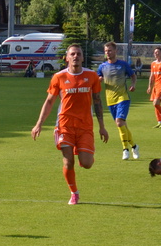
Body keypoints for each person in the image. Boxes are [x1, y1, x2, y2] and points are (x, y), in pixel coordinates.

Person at [31, 44, 109, 205]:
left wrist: (102, 126)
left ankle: (81, 153)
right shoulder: (58, 77)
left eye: (78, 54)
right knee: (68, 161)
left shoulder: (91, 76)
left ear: (82, 57)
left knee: (86, 164)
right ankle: (74, 193)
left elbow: (97, 102)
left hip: (85, 126)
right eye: (72, 54)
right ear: (66, 58)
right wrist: (39, 124)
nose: (75, 56)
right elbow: (49, 101)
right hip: (64, 125)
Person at [96, 41, 139, 160]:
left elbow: (133, 75)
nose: (107, 53)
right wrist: (98, 79)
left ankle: (125, 149)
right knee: (121, 125)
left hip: (123, 98)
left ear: (115, 51)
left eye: (109, 50)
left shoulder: (123, 64)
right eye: (105, 51)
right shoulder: (102, 66)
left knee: (119, 122)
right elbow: (98, 77)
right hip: (110, 100)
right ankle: (134, 146)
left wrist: (133, 84)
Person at [146, 47, 161, 128]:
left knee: (156, 103)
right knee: (155, 104)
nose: (156, 53)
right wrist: (149, 86)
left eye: (158, 52)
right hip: (155, 85)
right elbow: (151, 76)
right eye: (155, 52)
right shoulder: (153, 63)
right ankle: (159, 122)